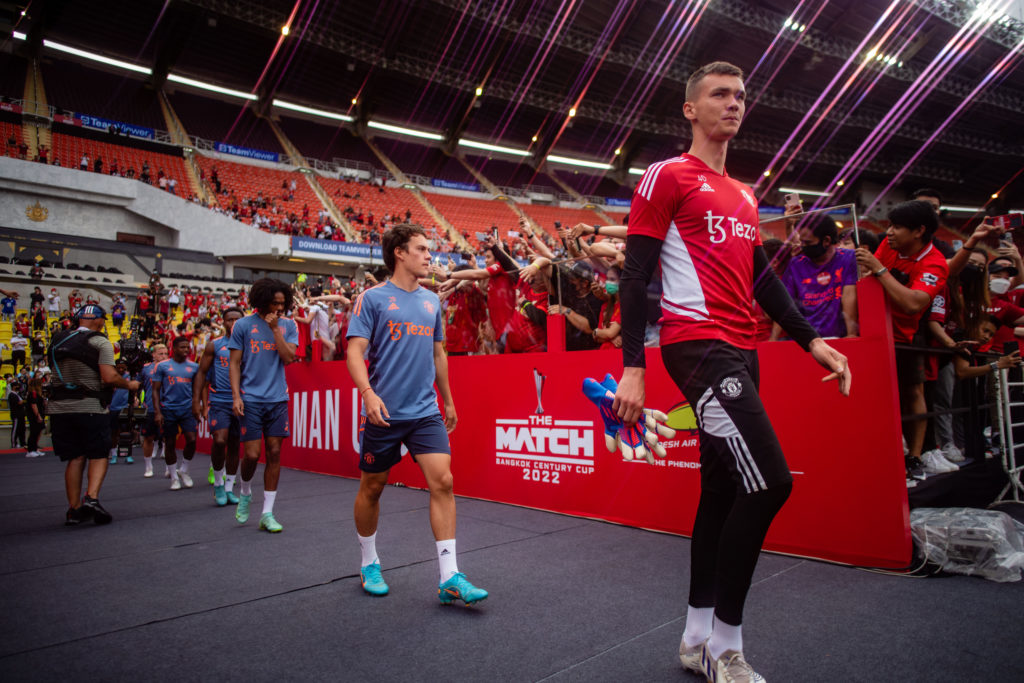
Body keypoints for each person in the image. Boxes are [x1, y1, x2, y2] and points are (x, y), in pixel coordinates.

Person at [612, 62, 850, 681]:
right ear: (690, 109)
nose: (733, 103)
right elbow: (633, 274)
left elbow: (762, 279)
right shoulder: (667, 175)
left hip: (742, 348)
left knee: (720, 491)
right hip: (696, 345)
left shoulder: (745, 195)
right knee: (770, 482)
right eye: (719, 94)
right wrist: (631, 366)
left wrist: (811, 343)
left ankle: (694, 638)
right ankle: (726, 646)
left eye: (740, 96)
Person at [346, 224, 487, 605]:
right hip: (384, 411)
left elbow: (439, 353)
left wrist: (449, 400)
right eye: (422, 249)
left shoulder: (431, 302)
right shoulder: (371, 299)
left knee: (443, 482)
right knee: (372, 488)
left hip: (425, 411)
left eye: (430, 250)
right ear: (400, 253)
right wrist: (367, 394)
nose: (430, 256)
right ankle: (369, 561)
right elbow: (354, 352)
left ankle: (449, 577)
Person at [855, 200, 949, 481]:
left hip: (907, 335)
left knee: (913, 394)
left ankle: (916, 456)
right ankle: (884, 452)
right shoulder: (888, 245)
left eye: (897, 227)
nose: (890, 233)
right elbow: (868, 278)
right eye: (889, 226)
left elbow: (912, 303)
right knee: (876, 399)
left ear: (919, 231)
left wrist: (880, 271)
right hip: (872, 333)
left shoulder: (935, 263)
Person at [49, 305, 139, 525]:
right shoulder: (100, 341)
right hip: (89, 406)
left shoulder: (57, 339)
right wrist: (129, 383)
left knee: (75, 456)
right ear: (99, 321)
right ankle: (92, 497)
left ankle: (74, 508)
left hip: (59, 408)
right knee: (99, 453)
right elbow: (108, 377)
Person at [228, 279, 298, 532]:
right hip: (251, 399)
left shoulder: (289, 326)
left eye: (283, 303)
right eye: (274, 303)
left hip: (278, 398)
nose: (279, 307)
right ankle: (245, 490)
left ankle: (267, 513)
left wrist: (276, 329)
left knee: (275, 452)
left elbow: (289, 358)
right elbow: (234, 364)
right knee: (252, 455)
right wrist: (236, 396)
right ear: (262, 300)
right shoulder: (243, 325)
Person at [772, 213, 858, 340]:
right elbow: (786, 303)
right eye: (801, 242)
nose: (803, 246)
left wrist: (851, 334)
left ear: (826, 241)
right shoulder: (795, 264)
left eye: (808, 242)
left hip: (838, 338)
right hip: (806, 341)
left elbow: (849, 295)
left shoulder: (848, 258)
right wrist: (773, 338)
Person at [194, 307, 244, 506]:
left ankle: (230, 488)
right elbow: (201, 373)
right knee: (220, 440)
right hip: (219, 401)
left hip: (241, 401)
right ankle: (218, 485)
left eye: (236, 320)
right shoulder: (214, 346)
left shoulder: (249, 346)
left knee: (234, 444)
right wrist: (196, 401)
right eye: (229, 320)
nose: (232, 324)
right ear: (222, 323)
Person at [152, 337, 200, 490]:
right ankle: (173, 477)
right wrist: (158, 412)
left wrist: (197, 405)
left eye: (188, 347)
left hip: (186, 409)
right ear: (174, 348)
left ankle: (184, 470)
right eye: (182, 347)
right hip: (168, 409)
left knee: (192, 440)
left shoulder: (194, 367)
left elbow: (197, 389)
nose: (186, 350)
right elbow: (155, 390)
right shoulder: (162, 366)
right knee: (170, 442)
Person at [139, 344, 169, 478]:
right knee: (148, 438)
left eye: (166, 353)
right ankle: (148, 466)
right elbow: (138, 385)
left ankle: (170, 467)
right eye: (161, 354)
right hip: (150, 408)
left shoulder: (171, 368)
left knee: (169, 438)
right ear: (154, 355)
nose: (164, 356)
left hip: (167, 407)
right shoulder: (145, 369)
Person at [107, 360, 133, 465]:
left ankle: (127, 455)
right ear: (115, 368)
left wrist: (132, 402)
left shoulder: (129, 376)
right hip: (113, 408)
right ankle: (114, 455)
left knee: (126, 432)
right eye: (119, 367)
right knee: (114, 432)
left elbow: (134, 390)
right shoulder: (111, 377)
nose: (121, 369)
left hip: (125, 408)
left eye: (123, 368)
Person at [25, 376, 47, 457]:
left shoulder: (37, 394)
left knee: (37, 432)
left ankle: (34, 448)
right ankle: (30, 450)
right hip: (34, 415)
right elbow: (33, 405)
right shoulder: (33, 393)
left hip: (38, 414)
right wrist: (38, 415)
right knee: (34, 432)